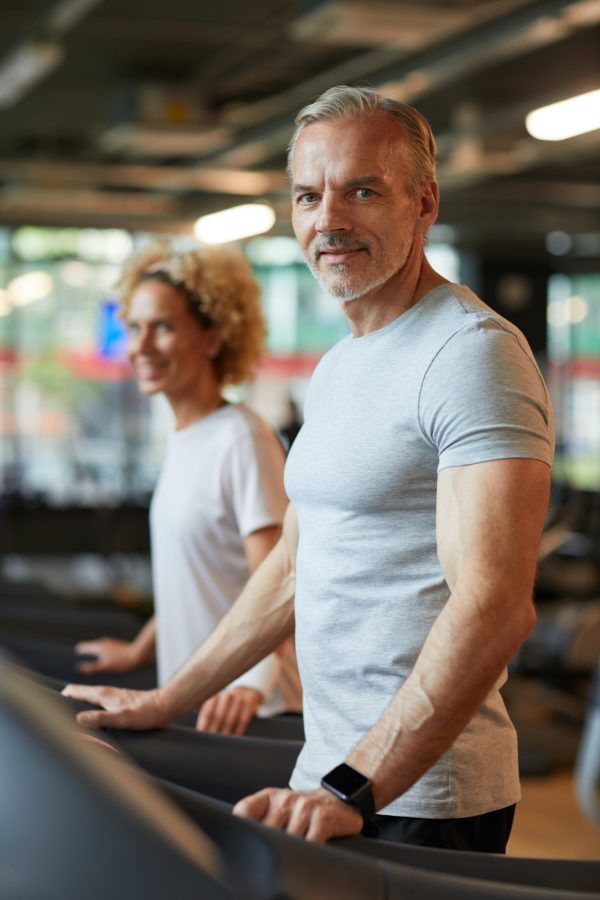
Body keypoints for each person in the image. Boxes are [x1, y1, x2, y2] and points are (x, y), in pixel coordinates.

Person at [64, 85, 554, 851]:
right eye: (307, 195)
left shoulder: (471, 353)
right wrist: (166, 697)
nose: (329, 219)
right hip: (328, 773)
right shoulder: (337, 367)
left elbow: (495, 605)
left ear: (424, 203)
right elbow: (292, 566)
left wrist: (355, 787)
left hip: (424, 795)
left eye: (362, 190)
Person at [73, 240, 300, 735]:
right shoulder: (185, 439)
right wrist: (139, 649)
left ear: (214, 339)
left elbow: (279, 583)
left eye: (164, 327)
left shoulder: (243, 438)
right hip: (192, 698)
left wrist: (254, 682)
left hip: (250, 710)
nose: (142, 346)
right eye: (134, 328)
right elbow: (200, 577)